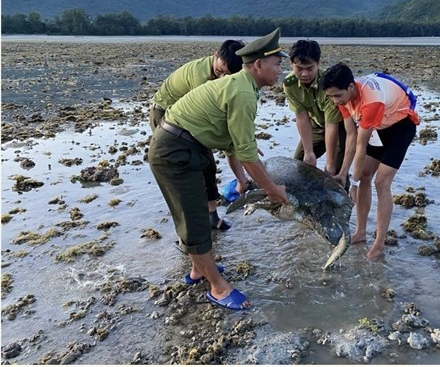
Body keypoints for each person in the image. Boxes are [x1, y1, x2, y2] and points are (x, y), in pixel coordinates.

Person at [148, 28, 289, 310]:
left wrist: (245, 152)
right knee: (194, 219)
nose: (280, 70)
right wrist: (273, 190)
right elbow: (247, 156)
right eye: (277, 63)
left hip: (188, 145)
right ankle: (218, 289)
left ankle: (199, 270)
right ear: (259, 64)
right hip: (174, 150)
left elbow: (238, 144)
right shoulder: (243, 92)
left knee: (199, 210)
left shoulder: (242, 86)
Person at [320, 63, 420, 261]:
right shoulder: (342, 99)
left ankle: (379, 244)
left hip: (400, 127)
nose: (334, 101)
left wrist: (353, 183)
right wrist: (343, 173)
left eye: (337, 95)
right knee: (365, 173)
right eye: (330, 96)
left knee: (381, 182)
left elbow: (361, 143)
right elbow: (351, 136)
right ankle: (361, 231)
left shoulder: (370, 101)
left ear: (351, 87)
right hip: (378, 128)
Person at [149, 39, 244, 231]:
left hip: (186, 120)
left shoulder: (226, 78)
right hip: (166, 116)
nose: (223, 77)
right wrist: (235, 141)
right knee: (187, 170)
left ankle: (211, 217)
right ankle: (189, 228)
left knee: (208, 166)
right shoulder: (199, 76)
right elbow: (202, 114)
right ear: (215, 54)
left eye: (228, 75)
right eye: (220, 71)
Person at [282, 39, 347, 183]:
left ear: (318, 63)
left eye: (310, 68)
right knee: (298, 164)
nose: (304, 74)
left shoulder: (328, 85)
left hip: (339, 127)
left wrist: (329, 162)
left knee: (335, 171)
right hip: (316, 126)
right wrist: (308, 152)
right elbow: (302, 117)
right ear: (291, 64)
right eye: (299, 68)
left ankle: (344, 200)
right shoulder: (289, 84)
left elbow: (332, 125)